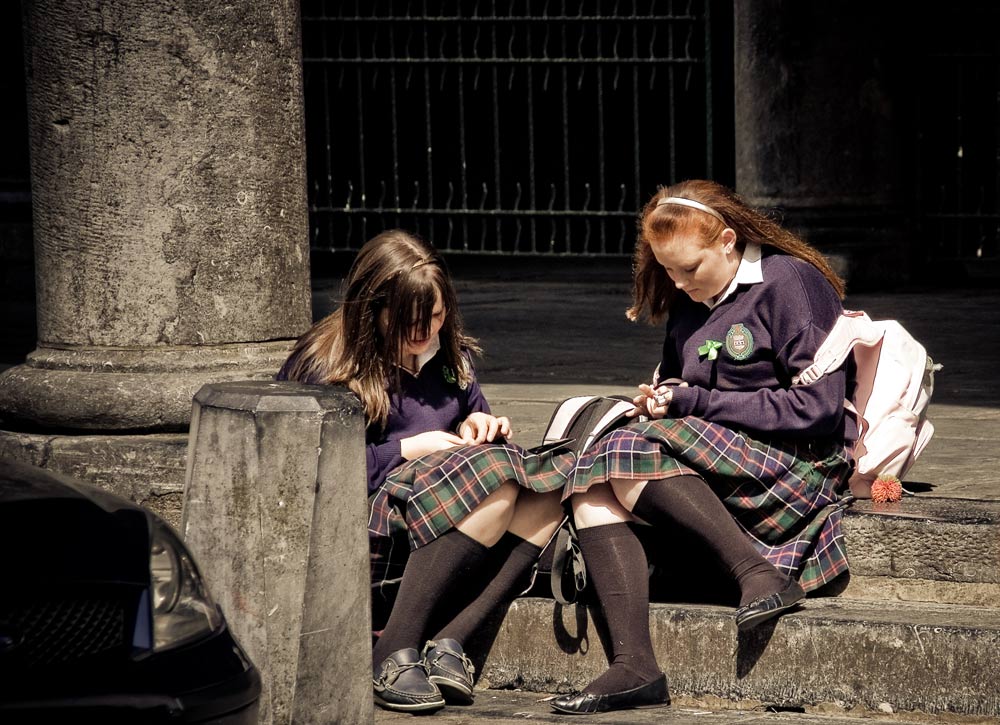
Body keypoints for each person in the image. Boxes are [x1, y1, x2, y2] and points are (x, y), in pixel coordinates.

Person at [549, 180, 856, 715]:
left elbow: (820, 409)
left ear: (729, 241)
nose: (677, 282)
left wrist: (696, 402)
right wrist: (661, 401)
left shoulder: (791, 283)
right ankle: (634, 664)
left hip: (796, 464)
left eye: (689, 268)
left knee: (617, 452)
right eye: (667, 269)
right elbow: (680, 386)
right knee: (596, 471)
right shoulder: (687, 302)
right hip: (711, 461)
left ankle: (756, 573)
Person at [277, 229, 566, 714]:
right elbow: (303, 470)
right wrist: (407, 447)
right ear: (372, 309)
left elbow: (471, 430)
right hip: (363, 523)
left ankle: (451, 640)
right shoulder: (325, 364)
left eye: (435, 317)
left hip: (441, 511)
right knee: (493, 481)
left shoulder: (450, 357)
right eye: (410, 321)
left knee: (552, 483)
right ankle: (391, 650)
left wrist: (480, 423)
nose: (425, 333)